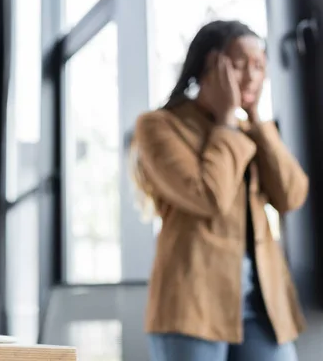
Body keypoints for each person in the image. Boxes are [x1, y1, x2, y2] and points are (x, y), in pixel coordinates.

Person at [131, 20, 309, 361]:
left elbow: (291, 195)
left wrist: (256, 121)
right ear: (211, 64)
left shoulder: (251, 131)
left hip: (262, 306)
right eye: (241, 64)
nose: (253, 75)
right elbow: (207, 197)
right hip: (191, 307)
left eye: (260, 66)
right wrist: (227, 121)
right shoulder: (159, 126)